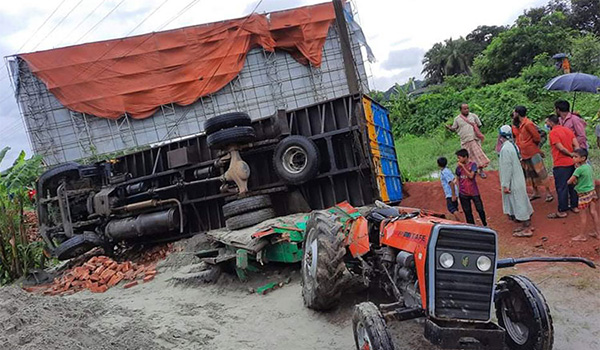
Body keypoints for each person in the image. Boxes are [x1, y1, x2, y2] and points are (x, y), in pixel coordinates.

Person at [497, 125, 534, 237]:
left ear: (501, 136)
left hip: (513, 180)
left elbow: (507, 168)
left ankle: (526, 229)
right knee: (522, 200)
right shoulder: (513, 146)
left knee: (518, 203)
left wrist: (505, 185)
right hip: (518, 178)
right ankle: (526, 224)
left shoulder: (505, 149)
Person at [512, 106, 553, 202]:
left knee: (541, 172)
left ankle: (548, 192)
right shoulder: (516, 125)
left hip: (532, 152)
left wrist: (533, 146)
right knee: (529, 173)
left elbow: (537, 137)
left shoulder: (528, 124)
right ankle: (536, 192)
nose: (513, 114)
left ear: (517, 113)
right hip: (523, 153)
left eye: (514, 113)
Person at [545, 115, 580, 218]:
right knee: (573, 186)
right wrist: (576, 157)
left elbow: (560, 148)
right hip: (571, 163)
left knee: (561, 187)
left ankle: (562, 210)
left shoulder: (553, 133)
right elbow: (576, 145)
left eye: (547, 122)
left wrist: (570, 154)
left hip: (560, 164)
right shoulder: (568, 130)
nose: (546, 124)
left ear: (551, 123)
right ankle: (574, 206)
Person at [446, 103, 490, 178]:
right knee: (466, 158)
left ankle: (481, 171)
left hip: (473, 139)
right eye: (465, 109)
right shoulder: (457, 119)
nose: (467, 110)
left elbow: (479, 125)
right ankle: (471, 172)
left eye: (467, 108)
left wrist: (475, 131)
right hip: (464, 141)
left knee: (478, 155)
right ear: (461, 110)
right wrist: (449, 128)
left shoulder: (473, 116)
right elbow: (454, 128)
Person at [568, 149, 600, 241]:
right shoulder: (588, 166)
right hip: (591, 192)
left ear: (582, 158)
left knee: (583, 216)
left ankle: (582, 235)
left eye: (575, 157)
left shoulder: (578, 170)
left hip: (583, 195)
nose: (573, 158)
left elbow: (570, 181)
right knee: (593, 212)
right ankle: (598, 233)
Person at [455, 148, 487, 226]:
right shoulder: (458, 168)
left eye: (459, 157)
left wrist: (463, 167)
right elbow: (457, 179)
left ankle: (485, 224)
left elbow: (471, 176)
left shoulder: (473, 165)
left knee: (480, 209)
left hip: (474, 192)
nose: (458, 160)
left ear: (465, 157)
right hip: (463, 193)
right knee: (467, 212)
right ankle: (472, 227)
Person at [437, 157, 461, 221]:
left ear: (438, 164)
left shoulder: (444, 172)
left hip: (450, 194)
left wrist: (453, 194)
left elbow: (451, 183)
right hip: (453, 192)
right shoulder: (448, 170)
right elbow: (454, 180)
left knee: (451, 208)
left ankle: (462, 222)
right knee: (455, 208)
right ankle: (459, 222)